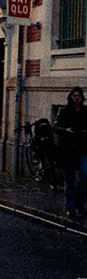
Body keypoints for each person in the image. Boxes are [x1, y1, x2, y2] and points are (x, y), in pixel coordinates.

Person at [54, 86, 87, 218]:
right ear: (70, 97)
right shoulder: (64, 111)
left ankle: (79, 203)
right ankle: (70, 206)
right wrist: (65, 130)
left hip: (84, 147)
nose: (77, 98)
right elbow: (56, 127)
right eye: (74, 96)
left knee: (85, 176)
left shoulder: (86, 111)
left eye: (79, 96)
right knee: (70, 179)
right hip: (69, 149)